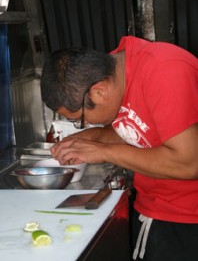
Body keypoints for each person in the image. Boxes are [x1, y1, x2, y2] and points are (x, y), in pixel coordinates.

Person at [41, 36, 198, 261]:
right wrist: (93, 137)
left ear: (99, 92)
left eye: (81, 119)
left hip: (187, 218)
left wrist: (104, 151)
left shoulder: (165, 71)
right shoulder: (116, 71)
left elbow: (190, 162)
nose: (86, 124)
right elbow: (139, 127)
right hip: (154, 207)